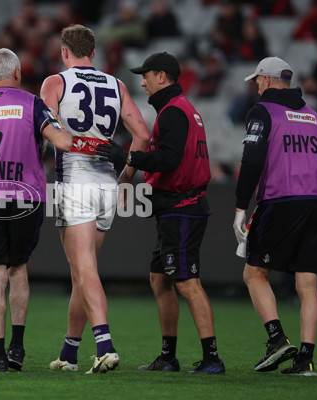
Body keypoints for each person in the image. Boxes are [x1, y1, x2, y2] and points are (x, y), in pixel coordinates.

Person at [98, 51, 225, 374]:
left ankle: (212, 358)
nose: (142, 81)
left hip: (182, 205)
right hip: (178, 206)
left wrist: (124, 157)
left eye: (147, 75)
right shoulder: (181, 109)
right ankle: (168, 356)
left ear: (162, 77)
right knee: (160, 279)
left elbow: (169, 160)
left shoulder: (172, 112)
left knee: (186, 282)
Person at [0, 48, 72, 373]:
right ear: (17, 74)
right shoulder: (32, 104)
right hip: (25, 198)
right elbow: (61, 142)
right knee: (18, 268)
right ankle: (17, 348)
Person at [41, 24, 149, 374]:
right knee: (82, 274)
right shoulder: (116, 85)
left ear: (64, 52)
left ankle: (104, 344)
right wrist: (126, 178)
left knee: (84, 268)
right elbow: (142, 136)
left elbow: (42, 128)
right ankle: (70, 352)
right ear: (94, 53)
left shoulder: (56, 82)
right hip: (106, 184)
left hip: (74, 180)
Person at [233, 56, 317, 376]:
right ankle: (306, 359)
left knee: (254, 273)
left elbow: (252, 159)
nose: (256, 85)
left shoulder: (263, 112)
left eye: (257, 80)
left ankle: (276, 339)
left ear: (267, 80)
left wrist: (240, 204)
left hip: (281, 200)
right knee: (308, 282)